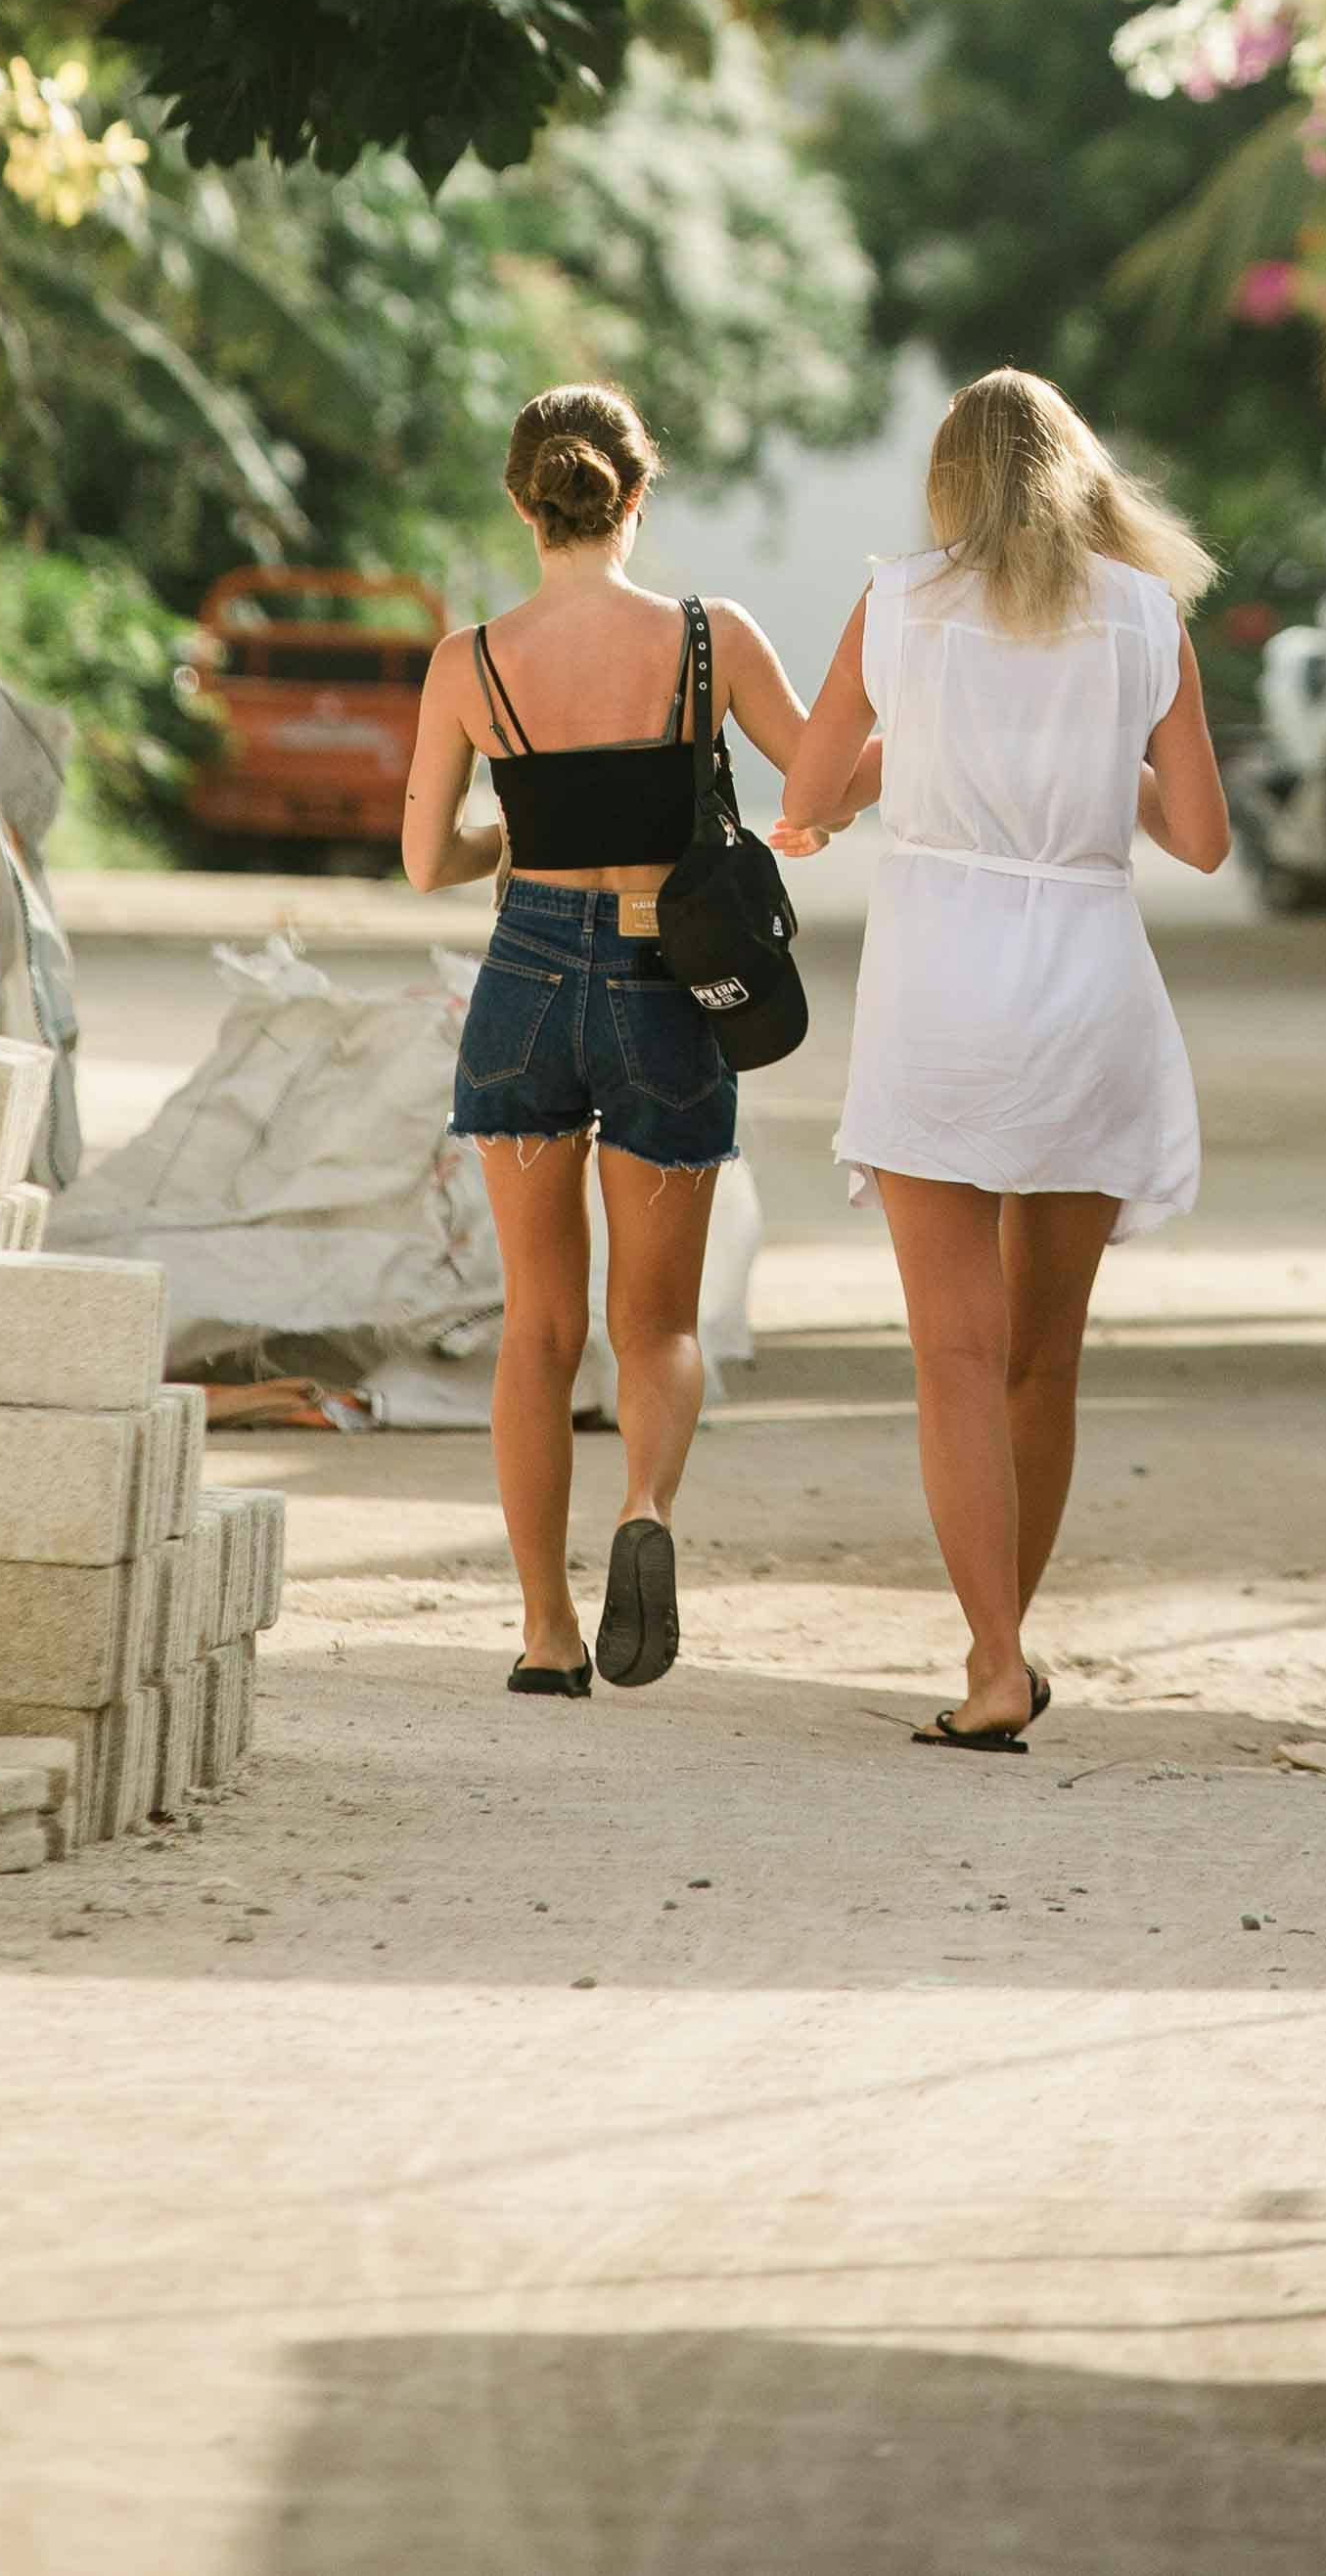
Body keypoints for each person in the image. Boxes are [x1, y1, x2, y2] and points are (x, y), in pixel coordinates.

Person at [772, 369, 1224, 1749]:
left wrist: (916, 756)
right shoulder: (1148, 615)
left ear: (948, 481)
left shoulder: (896, 602)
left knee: (953, 1357)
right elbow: (1200, 838)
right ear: (1084, 476)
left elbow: (803, 797)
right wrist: (1090, 765)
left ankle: (990, 1662)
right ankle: (1006, 1647)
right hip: (1085, 983)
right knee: (1045, 1358)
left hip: (940, 991)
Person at [398, 377, 815, 1699]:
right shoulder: (712, 637)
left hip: (521, 986)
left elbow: (425, 860)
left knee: (536, 1327)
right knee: (656, 1324)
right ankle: (643, 1503)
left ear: (523, 502)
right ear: (640, 495)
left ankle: (543, 1629)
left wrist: (514, 834)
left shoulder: (469, 659)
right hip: (662, 985)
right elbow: (817, 789)